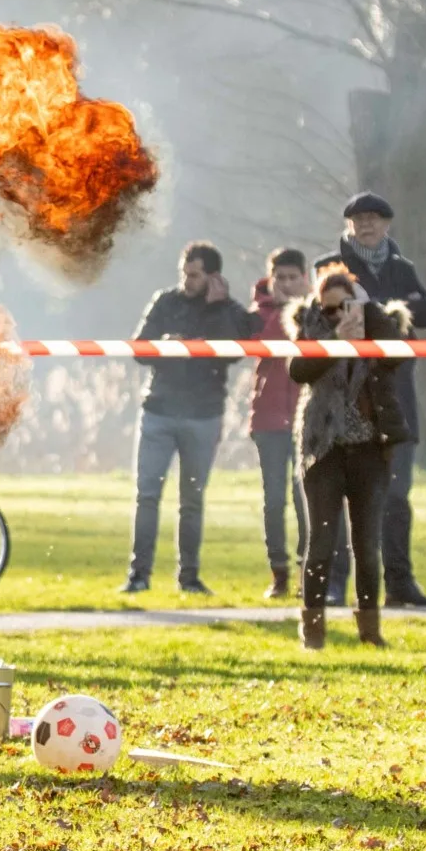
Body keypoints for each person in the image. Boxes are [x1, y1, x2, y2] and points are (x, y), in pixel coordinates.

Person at [315, 192, 426, 608]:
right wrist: (381, 314)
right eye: (358, 219)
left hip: (394, 396)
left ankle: (401, 584)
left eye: (374, 218)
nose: (366, 225)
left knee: (396, 494)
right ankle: (333, 584)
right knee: (336, 496)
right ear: (348, 224)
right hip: (344, 397)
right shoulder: (328, 267)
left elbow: (425, 311)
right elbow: (325, 316)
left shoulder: (401, 267)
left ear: (387, 224)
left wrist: (391, 308)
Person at [119, 240, 258, 595]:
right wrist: (165, 343)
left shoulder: (228, 310)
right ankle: (139, 575)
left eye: (194, 274)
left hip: (204, 414)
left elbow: (233, 352)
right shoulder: (165, 301)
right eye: (184, 272)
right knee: (147, 494)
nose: (186, 280)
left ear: (213, 277)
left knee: (192, 501)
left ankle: (189, 577)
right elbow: (139, 348)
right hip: (159, 410)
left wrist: (218, 309)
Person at [286, 265, 412, 649]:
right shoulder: (312, 326)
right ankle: (313, 632)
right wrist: (336, 340)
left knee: (367, 545)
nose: (338, 315)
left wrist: (368, 315)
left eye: (346, 307)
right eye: (329, 309)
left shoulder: (376, 325)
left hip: (370, 449)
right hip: (323, 449)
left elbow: (397, 358)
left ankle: (370, 632)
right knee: (321, 543)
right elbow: (299, 370)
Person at [249, 248, 312, 599]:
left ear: (304, 278)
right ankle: (279, 573)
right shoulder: (258, 314)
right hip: (269, 416)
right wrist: (284, 311)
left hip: (307, 415)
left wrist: (300, 310)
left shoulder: (317, 311)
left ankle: (308, 570)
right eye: (280, 278)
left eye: (293, 277)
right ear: (271, 279)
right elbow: (266, 345)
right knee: (274, 499)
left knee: (305, 497)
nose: (287, 284)